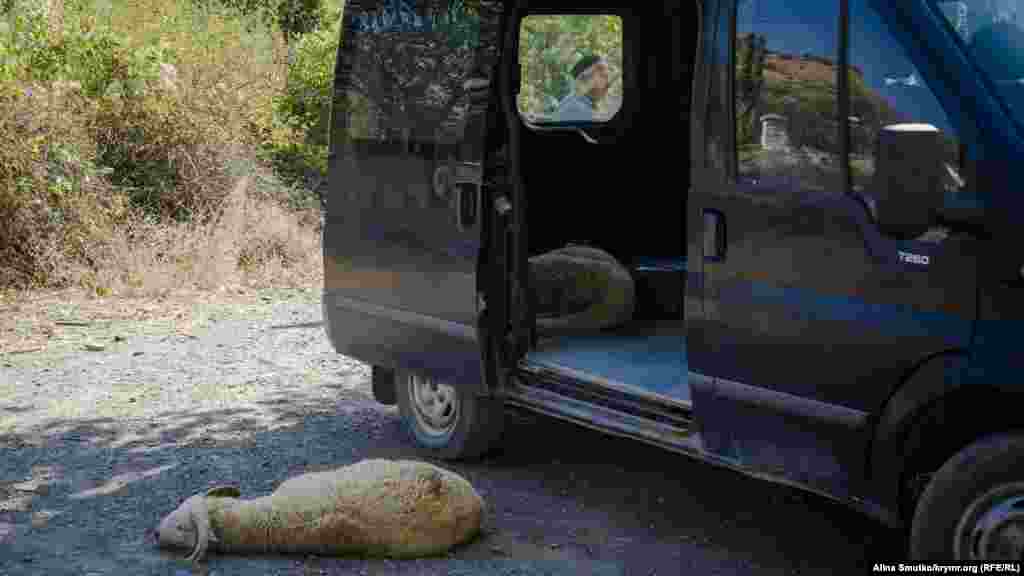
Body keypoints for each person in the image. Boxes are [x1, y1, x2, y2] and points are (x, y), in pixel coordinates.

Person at [556, 54, 611, 122]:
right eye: (603, 76)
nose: (608, 84)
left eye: (607, 77)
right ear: (584, 78)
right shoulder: (576, 109)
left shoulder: (572, 102)